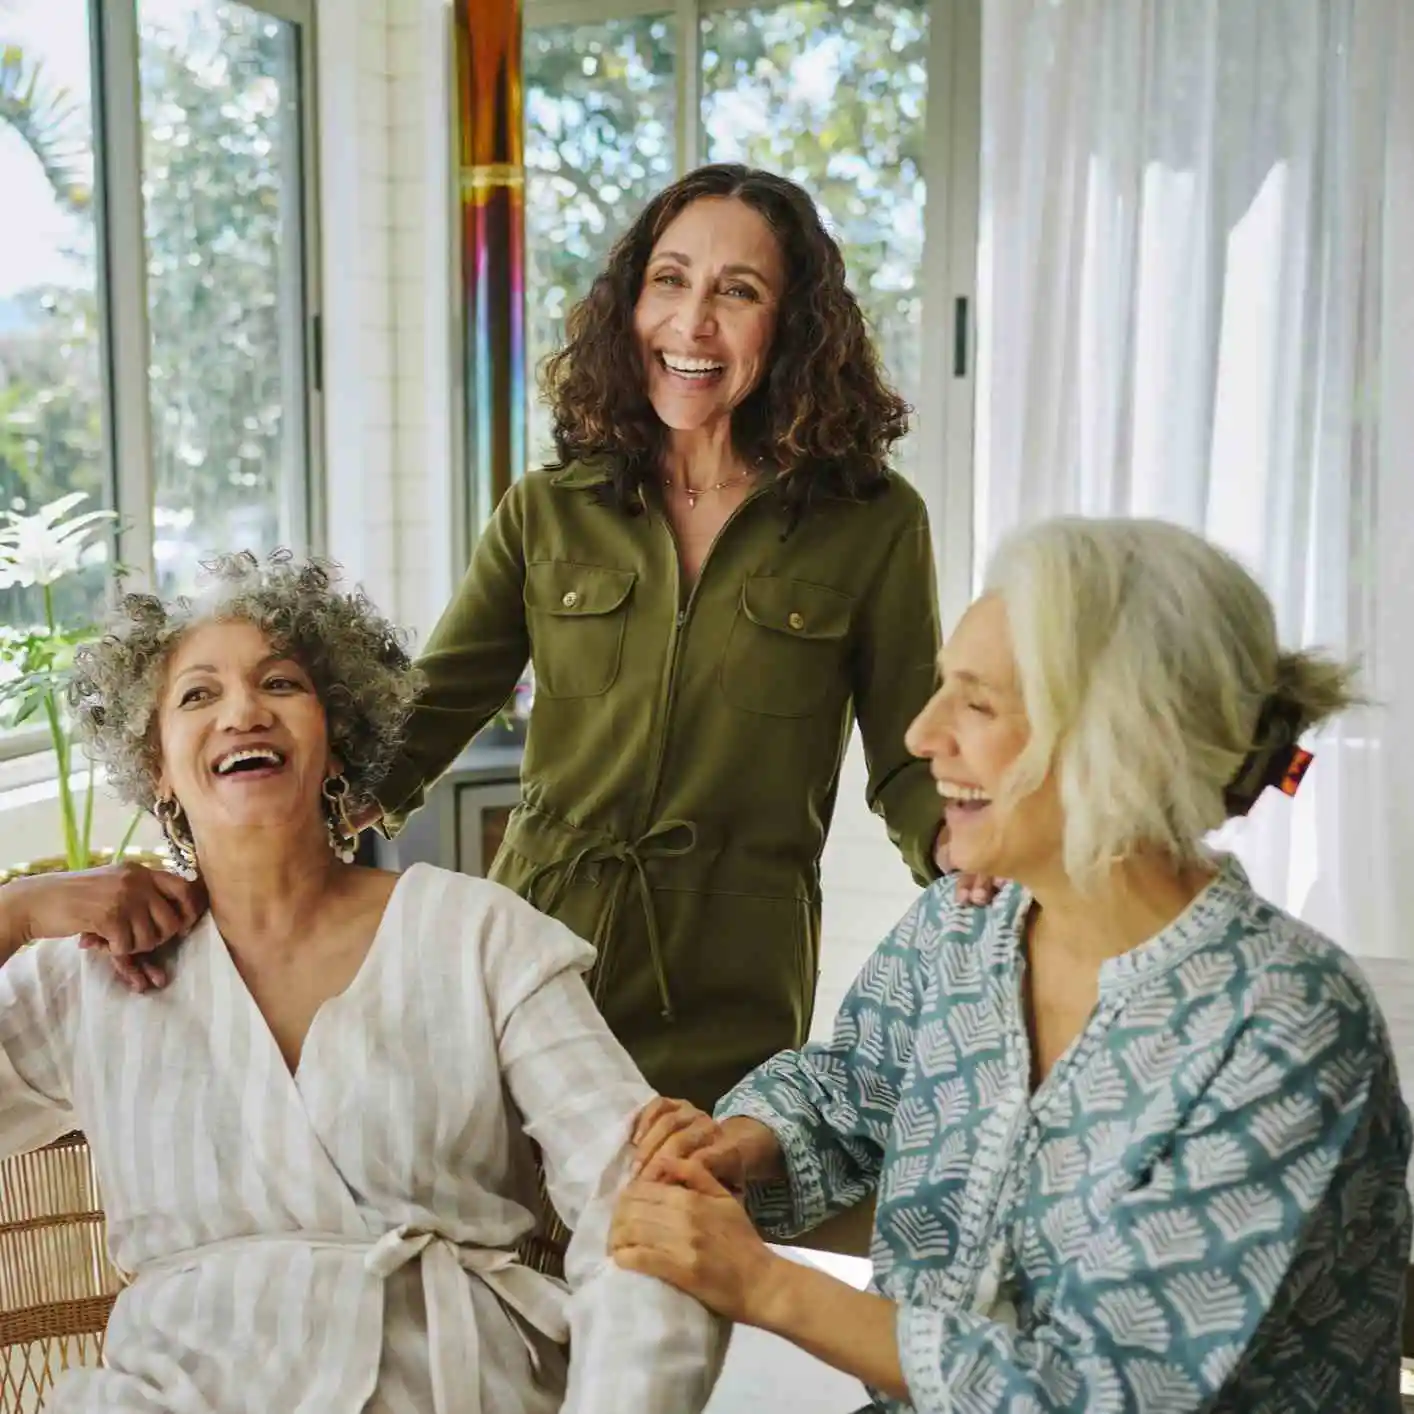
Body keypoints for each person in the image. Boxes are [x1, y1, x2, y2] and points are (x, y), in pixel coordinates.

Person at [612, 516, 1413, 1413]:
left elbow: (1100, 1392)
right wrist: (741, 1147)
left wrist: (764, 1286)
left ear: (1122, 742)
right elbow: (848, 1090)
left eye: (977, 704)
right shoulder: (962, 926)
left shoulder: (1286, 1020)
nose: (921, 734)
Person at [0, 553, 724, 1414]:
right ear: (155, 763)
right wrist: (16, 912)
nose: (242, 711)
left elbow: (638, 1201)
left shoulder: (476, 936)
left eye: (280, 682)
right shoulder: (85, 981)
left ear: (334, 733)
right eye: (197, 695)